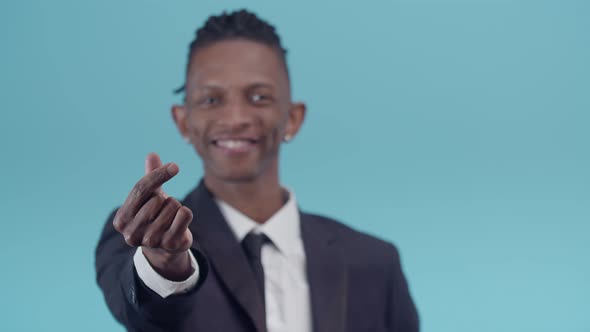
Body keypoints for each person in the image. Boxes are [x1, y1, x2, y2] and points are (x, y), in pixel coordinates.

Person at [95, 9, 419, 332]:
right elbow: (146, 312)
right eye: (211, 100)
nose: (235, 118)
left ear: (293, 118)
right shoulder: (139, 236)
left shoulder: (376, 264)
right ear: (183, 121)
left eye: (259, 97)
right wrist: (165, 264)